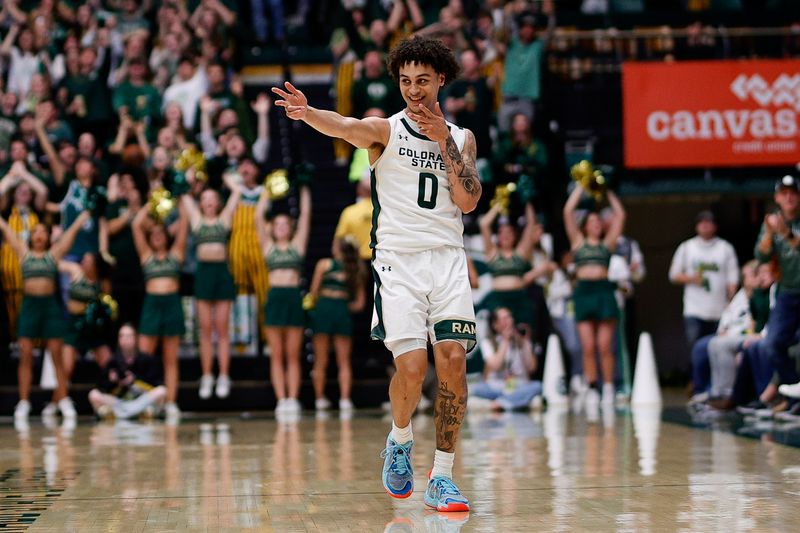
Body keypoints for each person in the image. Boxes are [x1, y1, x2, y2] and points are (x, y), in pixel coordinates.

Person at [272, 36, 482, 511]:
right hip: (398, 262)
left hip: (447, 259)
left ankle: (443, 476)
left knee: (453, 363)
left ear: (441, 80)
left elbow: (469, 199)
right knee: (412, 368)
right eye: (405, 81)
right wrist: (308, 113)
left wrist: (443, 141)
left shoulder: (462, 137)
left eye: (422, 81)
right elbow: (344, 125)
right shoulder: (384, 132)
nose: (413, 90)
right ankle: (400, 439)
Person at [0, 210, 91, 422]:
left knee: (56, 356)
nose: (39, 235)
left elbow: (70, 236)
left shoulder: (54, 255)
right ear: (30, 236)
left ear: (48, 236)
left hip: (50, 308)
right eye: (36, 231)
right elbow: (6, 229)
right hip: (30, 307)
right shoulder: (23, 253)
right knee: (25, 356)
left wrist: (79, 220)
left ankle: (64, 400)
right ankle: (24, 402)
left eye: (43, 231)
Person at [563, 184, 626, 411]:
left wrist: (605, 190)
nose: (596, 224)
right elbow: (568, 212)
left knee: (605, 345)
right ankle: (591, 387)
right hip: (583, 293)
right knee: (588, 346)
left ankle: (608, 387)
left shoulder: (607, 244)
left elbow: (620, 215)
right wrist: (581, 186)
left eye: (599, 222)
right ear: (586, 225)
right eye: (592, 222)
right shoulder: (578, 242)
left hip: (603, 291)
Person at [181, 174, 241, 400]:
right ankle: (207, 375)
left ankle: (224, 375)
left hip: (221, 273)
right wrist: (191, 179)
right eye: (204, 198)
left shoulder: (224, 219)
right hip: (203, 273)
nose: (207, 202)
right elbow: (184, 195)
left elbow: (236, 193)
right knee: (205, 330)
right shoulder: (196, 219)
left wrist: (225, 177)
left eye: (211, 198)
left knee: (222, 329)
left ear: (217, 202)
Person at [255, 184, 311, 415]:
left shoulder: (297, 245)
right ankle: (281, 400)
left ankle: (293, 398)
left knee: (292, 354)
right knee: (276, 354)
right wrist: (268, 189)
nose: (280, 227)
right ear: (272, 228)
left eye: (284, 224)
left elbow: (306, 215)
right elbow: (258, 216)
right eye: (276, 224)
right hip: (275, 299)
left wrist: (304, 188)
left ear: (290, 227)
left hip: (292, 299)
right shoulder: (268, 247)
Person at [131, 202, 189, 423]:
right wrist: (151, 203)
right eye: (152, 233)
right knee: (145, 358)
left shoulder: (176, 254)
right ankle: (145, 402)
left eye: (159, 233)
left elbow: (184, 222)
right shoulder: (146, 256)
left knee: (170, 359)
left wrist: (176, 200)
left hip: (171, 305)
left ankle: (171, 403)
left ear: (166, 235)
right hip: (152, 305)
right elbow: (136, 225)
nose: (156, 236)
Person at [669, 210, 739, 370]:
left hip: (719, 309)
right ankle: (696, 383)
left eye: (709, 222)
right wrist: (691, 278)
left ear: (715, 226)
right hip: (694, 308)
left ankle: (712, 385)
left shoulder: (725, 248)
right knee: (695, 346)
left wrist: (731, 302)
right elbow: (673, 275)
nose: (706, 225)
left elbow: (732, 278)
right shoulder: (687, 247)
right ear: (696, 226)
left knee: (717, 348)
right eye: (702, 222)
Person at [308, 237, 366, 412]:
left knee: (320, 359)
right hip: (342, 312)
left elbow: (313, 292)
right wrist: (342, 306)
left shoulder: (324, 264)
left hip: (324, 310)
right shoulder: (355, 269)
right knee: (344, 360)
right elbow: (359, 304)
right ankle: (345, 400)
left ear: (337, 249)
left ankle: (319, 399)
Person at [755, 175, 800, 398]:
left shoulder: (791, 224)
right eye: (784, 193)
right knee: (771, 344)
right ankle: (793, 391)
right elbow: (761, 257)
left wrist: (785, 233)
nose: (789, 197)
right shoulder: (773, 222)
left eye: (793, 193)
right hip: (787, 292)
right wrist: (769, 235)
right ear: (777, 198)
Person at [478, 201, 542, 331]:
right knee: (502, 336)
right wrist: (499, 203)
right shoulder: (492, 253)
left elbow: (530, 225)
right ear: (498, 236)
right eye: (502, 233)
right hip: (499, 299)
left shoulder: (521, 253)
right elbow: (484, 224)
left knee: (524, 337)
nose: (506, 236)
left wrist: (527, 202)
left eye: (509, 233)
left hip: (519, 299)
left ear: (515, 236)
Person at [88, 323, 167, 420]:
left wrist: (134, 380)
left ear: (135, 338)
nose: (125, 339)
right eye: (122, 336)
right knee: (93, 394)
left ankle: (122, 414)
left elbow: (156, 384)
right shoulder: (113, 362)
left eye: (129, 336)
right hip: (119, 402)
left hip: (140, 400)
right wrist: (112, 381)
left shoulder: (146, 359)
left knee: (162, 391)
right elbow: (101, 386)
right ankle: (137, 413)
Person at [59, 253, 113, 388]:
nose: (83, 262)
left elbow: (107, 305)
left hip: (93, 326)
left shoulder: (103, 282)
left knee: (110, 367)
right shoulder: (76, 271)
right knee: (66, 369)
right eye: (83, 259)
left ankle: (116, 399)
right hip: (74, 325)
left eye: (88, 260)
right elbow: (57, 263)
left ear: (96, 264)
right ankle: (57, 402)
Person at [472, 307, 541, 410]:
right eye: (505, 318)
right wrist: (505, 341)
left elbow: (532, 368)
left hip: (518, 385)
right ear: (495, 325)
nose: (510, 321)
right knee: (478, 389)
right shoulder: (488, 342)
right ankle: (515, 401)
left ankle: (501, 403)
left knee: (538, 386)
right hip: (497, 386)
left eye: (510, 317)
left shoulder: (521, 341)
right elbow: (495, 366)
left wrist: (525, 342)